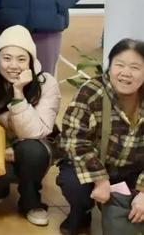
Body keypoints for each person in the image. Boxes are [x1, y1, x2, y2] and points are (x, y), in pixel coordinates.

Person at [57, 38, 144, 235]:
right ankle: (81, 211)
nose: (126, 73)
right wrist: (100, 179)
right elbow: (73, 139)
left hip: (134, 171)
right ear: (109, 66)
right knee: (73, 182)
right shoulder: (91, 91)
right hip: (96, 163)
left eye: (135, 67)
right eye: (119, 65)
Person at [0, 25, 60, 227]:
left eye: (21, 59)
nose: (13, 65)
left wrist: (18, 93)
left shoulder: (46, 83)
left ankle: (31, 201)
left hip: (33, 146)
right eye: (6, 58)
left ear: (32, 62)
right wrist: (3, 146)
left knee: (31, 150)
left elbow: (35, 132)